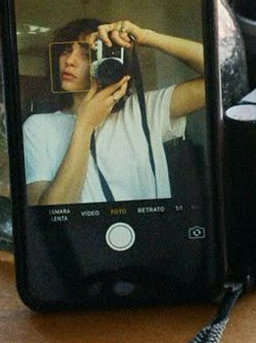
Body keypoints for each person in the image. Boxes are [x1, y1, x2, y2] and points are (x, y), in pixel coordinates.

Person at [22, 16, 206, 205]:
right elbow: (45, 216)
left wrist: (146, 37)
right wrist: (84, 126)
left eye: (86, 54)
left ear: (110, 60)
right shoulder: (38, 126)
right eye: (65, 51)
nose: (69, 61)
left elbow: (223, 74)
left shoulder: (144, 109)